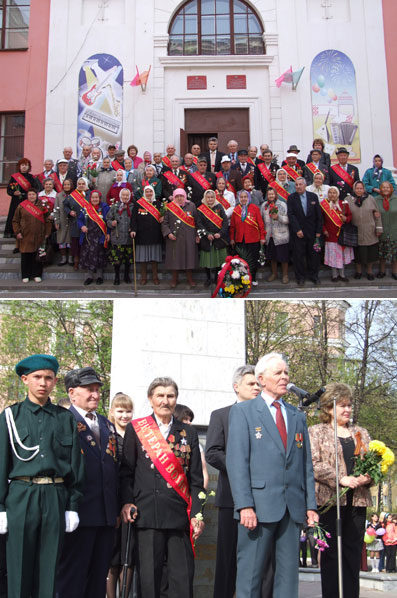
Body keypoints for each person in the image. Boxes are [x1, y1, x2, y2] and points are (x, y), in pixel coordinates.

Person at [226, 352, 318, 598]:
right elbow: (237, 463)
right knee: (250, 576)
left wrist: (311, 505)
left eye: (286, 372)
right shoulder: (244, 412)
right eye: (278, 373)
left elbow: (304, 465)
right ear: (261, 379)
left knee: (288, 579)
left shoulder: (297, 416)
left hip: (292, 508)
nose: (284, 377)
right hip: (257, 507)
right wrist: (244, 504)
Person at [0, 354, 85, 598]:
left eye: (48, 378)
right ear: (25, 379)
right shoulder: (10, 417)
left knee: (50, 569)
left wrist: (72, 505)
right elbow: (1, 463)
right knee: (18, 568)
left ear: (55, 382)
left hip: (54, 495)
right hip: (21, 496)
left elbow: (75, 465)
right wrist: (0, 507)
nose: (43, 383)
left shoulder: (64, 418)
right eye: (37, 377)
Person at [120, 376, 205, 598]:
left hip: (179, 516)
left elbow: (196, 480)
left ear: (176, 399)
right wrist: (127, 501)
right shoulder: (137, 429)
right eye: (160, 396)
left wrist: (197, 513)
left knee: (182, 579)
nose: (165, 401)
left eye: (170, 396)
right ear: (150, 399)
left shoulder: (189, 433)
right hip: (147, 514)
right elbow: (126, 472)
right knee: (149, 580)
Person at [57, 367, 120, 598]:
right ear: (72, 393)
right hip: (77, 514)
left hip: (105, 515)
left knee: (97, 579)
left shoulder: (107, 425)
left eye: (97, 390)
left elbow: (115, 468)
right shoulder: (62, 421)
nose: (95, 394)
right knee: (71, 579)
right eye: (89, 390)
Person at [206, 365, 266, 598]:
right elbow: (212, 452)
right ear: (236, 387)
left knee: (259, 561)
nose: (256, 387)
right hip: (232, 498)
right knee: (228, 559)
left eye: (258, 384)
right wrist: (242, 467)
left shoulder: (266, 416)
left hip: (263, 499)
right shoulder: (221, 415)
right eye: (251, 383)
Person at [309, 382, 372, 598]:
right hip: (329, 502)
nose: (347, 409)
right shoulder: (316, 432)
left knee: (353, 555)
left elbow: (372, 461)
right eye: (342, 405)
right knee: (330, 555)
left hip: (358, 501)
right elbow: (313, 463)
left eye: (349, 405)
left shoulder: (360, 433)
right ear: (329, 408)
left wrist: (367, 476)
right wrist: (340, 478)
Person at [107, 393, 139, 598]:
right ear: (112, 412)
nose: (124, 415)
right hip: (111, 499)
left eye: (128, 411)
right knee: (112, 555)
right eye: (120, 411)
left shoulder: (137, 435)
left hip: (131, 499)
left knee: (128, 554)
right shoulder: (107, 433)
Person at [287, 177, 323, 286]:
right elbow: (291, 215)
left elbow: (319, 215)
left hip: (312, 232)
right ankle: (300, 277)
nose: (298, 187)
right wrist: (297, 229)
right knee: (298, 257)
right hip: (298, 233)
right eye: (296, 185)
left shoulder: (313, 197)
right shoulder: (291, 198)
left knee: (313, 256)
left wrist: (318, 231)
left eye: (300, 184)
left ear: (305, 185)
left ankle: (314, 276)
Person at [12, 188, 52, 283]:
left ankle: (37, 274)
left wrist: (47, 232)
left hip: (39, 235)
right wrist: (17, 232)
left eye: (33, 194)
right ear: (27, 196)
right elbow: (15, 220)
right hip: (25, 235)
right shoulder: (21, 206)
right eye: (30, 195)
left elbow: (48, 220)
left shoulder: (42, 206)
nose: (31, 196)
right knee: (26, 256)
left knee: (37, 256)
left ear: (36, 195)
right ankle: (25, 275)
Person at [161, 188, 199, 289]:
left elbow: (197, 221)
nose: (179, 198)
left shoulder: (192, 206)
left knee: (189, 258)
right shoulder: (169, 207)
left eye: (181, 196)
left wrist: (197, 235)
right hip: (174, 238)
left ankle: (190, 278)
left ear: (185, 196)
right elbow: (165, 223)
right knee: (175, 259)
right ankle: (174, 279)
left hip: (189, 237)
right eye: (177, 196)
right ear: (174, 197)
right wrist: (168, 233)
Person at [346, 180, 383, 280]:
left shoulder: (371, 199)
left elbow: (377, 214)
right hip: (355, 231)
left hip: (369, 230)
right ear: (354, 189)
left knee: (370, 253)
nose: (359, 190)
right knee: (357, 254)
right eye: (357, 188)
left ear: (364, 189)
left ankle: (369, 271)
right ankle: (358, 271)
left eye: (361, 188)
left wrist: (378, 228)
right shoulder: (348, 199)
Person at [230, 189, 266, 286]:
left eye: (245, 197)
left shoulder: (255, 208)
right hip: (240, 239)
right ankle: (243, 278)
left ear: (248, 198)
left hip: (253, 239)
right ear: (239, 198)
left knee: (253, 259)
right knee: (241, 260)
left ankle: (253, 277)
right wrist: (232, 238)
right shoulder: (236, 210)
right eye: (241, 197)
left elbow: (261, 224)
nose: (243, 199)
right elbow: (232, 226)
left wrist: (262, 236)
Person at [130, 185, 164, 286]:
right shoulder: (138, 204)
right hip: (142, 234)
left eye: (150, 192)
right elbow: (134, 219)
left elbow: (164, 217)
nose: (149, 193)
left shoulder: (159, 204)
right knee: (143, 259)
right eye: (147, 192)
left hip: (155, 234)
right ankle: (143, 277)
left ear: (153, 193)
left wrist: (163, 218)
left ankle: (155, 277)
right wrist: (133, 230)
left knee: (154, 259)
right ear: (144, 193)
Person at [196, 189, 229, 287]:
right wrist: (206, 234)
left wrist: (220, 233)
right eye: (208, 197)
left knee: (219, 260)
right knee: (207, 261)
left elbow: (225, 222)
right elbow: (199, 223)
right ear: (205, 198)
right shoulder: (201, 209)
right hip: (207, 238)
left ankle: (216, 278)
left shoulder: (219, 207)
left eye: (212, 197)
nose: (210, 199)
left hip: (219, 237)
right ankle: (209, 278)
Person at [321, 186, 354, 282]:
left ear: (337, 194)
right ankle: (334, 275)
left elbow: (350, 216)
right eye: (330, 192)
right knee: (333, 256)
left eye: (334, 192)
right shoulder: (324, 205)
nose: (332, 194)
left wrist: (346, 219)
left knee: (341, 256)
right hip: (330, 235)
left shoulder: (343, 204)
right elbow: (320, 219)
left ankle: (342, 275)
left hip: (342, 235)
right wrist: (324, 230)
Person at [78, 190, 110, 285]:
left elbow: (108, 221)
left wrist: (108, 233)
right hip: (88, 236)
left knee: (100, 255)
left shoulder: (105, 208)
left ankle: (100, 276)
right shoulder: (85, 208)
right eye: (93, 197)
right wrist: (82, 226)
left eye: (96, 197)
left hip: (100, 235)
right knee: (88, 256)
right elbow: (79, 220)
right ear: (90, 198)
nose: (95, 199)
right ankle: (89, 276)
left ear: (100, 198)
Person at [173, 404, 209, 490]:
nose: (189, 422)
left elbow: (203, 471)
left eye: (190, 419)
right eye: (186, 419)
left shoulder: (195, 443)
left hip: (185, 491)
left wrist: (201, 496)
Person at [5, 157, 39, 240]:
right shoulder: (14, 177)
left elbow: (36, 188)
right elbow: (9, 190)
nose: (24, 167)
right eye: (22, 165)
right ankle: (14, 235)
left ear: (29, 167)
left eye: (26, 165)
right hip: (16, 201)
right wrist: (14, 193)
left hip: (27, 200)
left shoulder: (32, 177)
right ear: (19, 166)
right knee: (15, 218)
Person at [261, 188, 290, 284]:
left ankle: (285, 275)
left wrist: (278, 217)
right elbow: (261, 220)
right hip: (269, 235)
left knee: (283, 257)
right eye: (269, 194)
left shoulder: (282, 204)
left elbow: (288, 219)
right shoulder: (264, 205)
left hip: (281, 235)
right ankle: (274, 273)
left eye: (272, 194)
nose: (271, 196)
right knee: (272, 257)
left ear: (276, 195)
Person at [107, 187, 134, 286]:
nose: (125, 197)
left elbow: (135, 220)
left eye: (127, 195)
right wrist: (111, 223)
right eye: (123, 195)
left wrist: (133, 228)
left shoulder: (132, 206)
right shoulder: (115, 207)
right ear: (120, 196)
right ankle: (117, 276)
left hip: (129, 238)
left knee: (128, 260)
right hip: (117, 238)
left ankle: (126, 275)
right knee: (117, 260)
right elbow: (108, 219)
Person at [63, 177, 90, 271]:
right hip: (75, 222)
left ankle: (85, 260)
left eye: (83, 184)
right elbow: (65, 205)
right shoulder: (72, 195)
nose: (81, 185)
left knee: (86, 243)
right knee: (76, 243)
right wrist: (70, 212)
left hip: (87, 222)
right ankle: (76, 261)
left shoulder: (89, 195)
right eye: (79, 184)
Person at [374, 181, 397, 279]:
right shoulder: (376, 200)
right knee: (382, 254)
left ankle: (395, 272)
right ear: (380, 189)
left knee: (395, 255)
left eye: (388, 187)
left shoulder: (396, 199)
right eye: (383, 187)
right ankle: (382, 271)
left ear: (391, 188)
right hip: (382, 231)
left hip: (394, 231)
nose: (386, 189)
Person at [53, 178, 74, 266]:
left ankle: (70, 258)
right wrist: (57, 220)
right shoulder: (59, 196)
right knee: (62, 240)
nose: (66, 186)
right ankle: (63, 258)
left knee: (70, 241)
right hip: (61, 220)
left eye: (68, 184)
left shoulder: (74, 195)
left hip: (71, 222)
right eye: (65, 184)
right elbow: (56, 209)